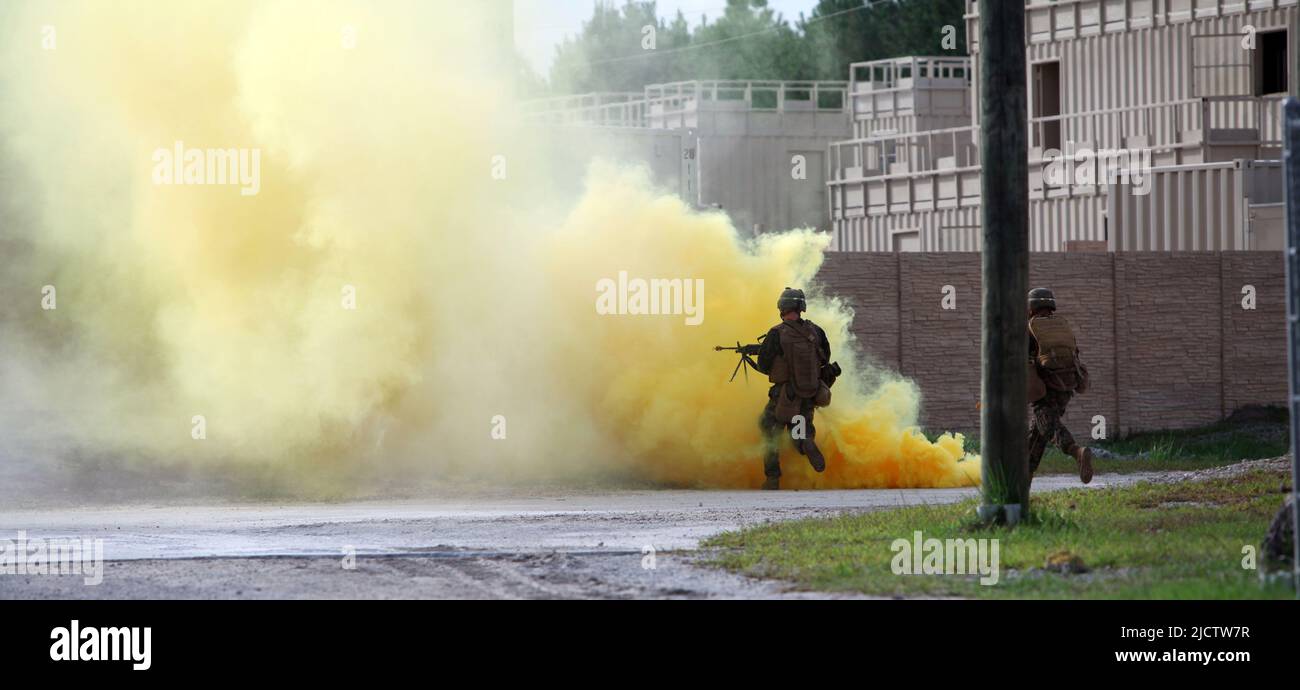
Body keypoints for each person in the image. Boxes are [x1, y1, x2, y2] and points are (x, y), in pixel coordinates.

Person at [748, 287, 832, 490]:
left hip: (784, 395)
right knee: (799, 429)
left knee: (770, 430)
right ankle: (806, 443)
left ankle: (773, 478)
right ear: (801, 307)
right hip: (809, 394)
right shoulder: (816, 332)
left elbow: (764, 365)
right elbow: (825, 358)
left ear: (782, 307)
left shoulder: (777, 333)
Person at [1026, 287, 1093, 484]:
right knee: (1036, 436)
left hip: (1044, 389)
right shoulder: (1062, 326)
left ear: (1031, 307)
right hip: (1066, 387)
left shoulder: (1031, 328)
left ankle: (1077, 452)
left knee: (1049, 427)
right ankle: (1023, 478)